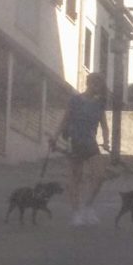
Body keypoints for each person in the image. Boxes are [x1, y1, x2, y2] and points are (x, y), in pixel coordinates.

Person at [52, 72, 110, 226]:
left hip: (91, 143)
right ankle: (76, 212)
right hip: (75, 142)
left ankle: (88, 207)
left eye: (99, 85)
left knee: (100, 176)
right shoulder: (75, 100)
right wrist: (55, 137)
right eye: (95, 84)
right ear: (89, 83)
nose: (98, 88)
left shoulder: (99, 104)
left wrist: (106, 141)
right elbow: (65, 120)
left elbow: (104, 125)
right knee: (75, 179)